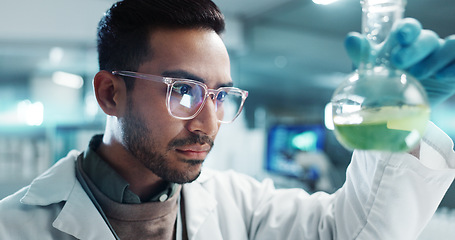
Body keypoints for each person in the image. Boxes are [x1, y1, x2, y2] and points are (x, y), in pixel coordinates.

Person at [0, 0, 454, 239]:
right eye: (184, 91)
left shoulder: (244, 207)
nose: (209, 123)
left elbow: (356, 233)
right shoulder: (14, 227)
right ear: (110, 93)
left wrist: (398, 119)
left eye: (221, 96)